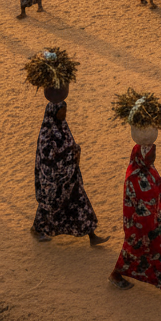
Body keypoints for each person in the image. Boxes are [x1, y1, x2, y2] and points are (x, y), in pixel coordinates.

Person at [109, 141, 161, 302]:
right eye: (151, 154)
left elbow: (159, 189)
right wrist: (148, 225)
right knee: (138, 252)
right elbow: (134, 206)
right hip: (142, 226)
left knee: (155, 254)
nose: (154, 157)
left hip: (154, 223)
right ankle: (116, 274)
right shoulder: (133, 178)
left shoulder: (149, 170)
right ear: (142, 156)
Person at [32, 97, 109, 248]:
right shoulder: (46, 133)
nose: (64, 114)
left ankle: (92, 236)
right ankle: (38, 229)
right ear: (53, 113)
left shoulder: (63, 127)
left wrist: (74, 151)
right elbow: (46, 156)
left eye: (65, 111)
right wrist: (67, 156)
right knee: (49, 205)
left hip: (70, 175)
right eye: (61, 112)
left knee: (80, 201)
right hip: (54, 178)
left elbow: (69, 145)